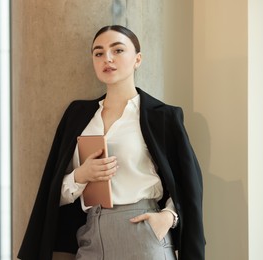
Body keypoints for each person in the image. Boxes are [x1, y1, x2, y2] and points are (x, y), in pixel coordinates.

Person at [18, 25, 205, 260]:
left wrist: (168, 217)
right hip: (90, 235)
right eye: (99, 53)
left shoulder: (162, 116)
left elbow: (188, 181)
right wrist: (80, 176)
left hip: (143, 233)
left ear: (137, 59)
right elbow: (53, 190)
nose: (107, 58)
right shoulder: (77, 115)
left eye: (118, 50)